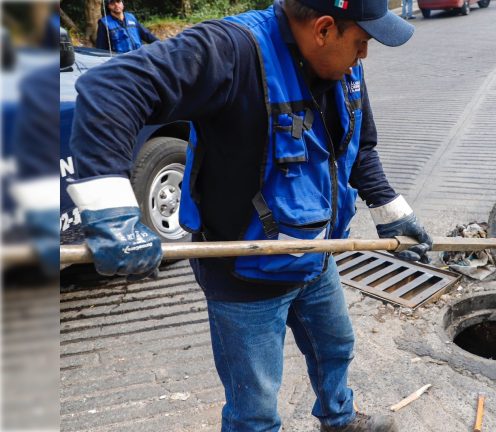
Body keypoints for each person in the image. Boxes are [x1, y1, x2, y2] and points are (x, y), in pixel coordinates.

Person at [66, 0, 432, 430]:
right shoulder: (231, 51)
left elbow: (357, 147)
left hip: (317, 255)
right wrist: (111, 210)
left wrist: (390, 209)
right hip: (243, 272)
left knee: (335, 348)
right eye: (362, 42)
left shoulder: (343, 66)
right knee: (254, 404)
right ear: (324, 29)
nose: (364, 54)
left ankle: (340, 420)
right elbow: (111, 88)